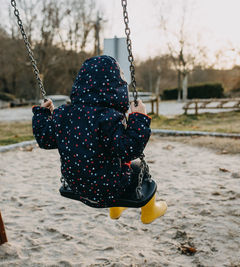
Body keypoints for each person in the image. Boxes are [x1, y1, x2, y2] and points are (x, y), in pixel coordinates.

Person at [32, 55, 167, 224]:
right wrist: (139, 117)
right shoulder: (108, 118)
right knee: (140, 169)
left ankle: (116, 208)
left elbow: (45, 140)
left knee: (110, 166)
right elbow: (130, 150)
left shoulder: (62, 114)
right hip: (110, 189)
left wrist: (42, 114)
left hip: (76, 186)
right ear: (115, 87)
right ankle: (149, 212)